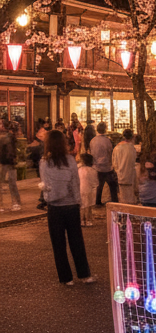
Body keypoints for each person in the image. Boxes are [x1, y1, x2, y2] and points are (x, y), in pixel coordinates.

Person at [40, 131, 94, 285]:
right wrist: (78, 201)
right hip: (71, 205)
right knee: (76, 240)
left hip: (54, 206)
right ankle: (84, 274)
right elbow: (75, 182)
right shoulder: (70, 160)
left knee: (58, 244)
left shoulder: (45, 162)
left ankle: (66, 278)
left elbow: (45, 183)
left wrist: (47, 195)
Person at [90, 122, 117, 206]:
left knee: (99, 185)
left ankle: (97, 202)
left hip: (96, 166)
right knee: (112, 185)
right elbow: (110, 152)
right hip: (107, 166)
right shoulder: (107, 141)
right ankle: (114, 201)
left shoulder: (93, 140)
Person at [110, 129, 137, 204]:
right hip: (130, 175)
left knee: (123, 197)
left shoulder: (117, 148)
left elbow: (114, 162)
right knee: (130, 197)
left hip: (120, 175)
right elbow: (133, 161)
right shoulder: (131, 148)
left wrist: (117, 171)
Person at [0, 122, 21, 211]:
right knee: (12, 183)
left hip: (5, 162)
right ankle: (16, 203)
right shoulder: (10, 137)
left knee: (6, 183)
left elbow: (10, 151)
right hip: (9, 162)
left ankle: (4, 204)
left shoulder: (6, 137)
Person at [78, 153, 98, 226]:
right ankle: (88, 220)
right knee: (88, 206)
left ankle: (81, 220)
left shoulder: (79, 170)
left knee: (82, 206)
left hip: (80, 189)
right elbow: (95, 182)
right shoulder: (93, 170)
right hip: (89, 189)